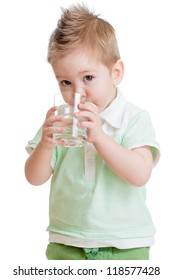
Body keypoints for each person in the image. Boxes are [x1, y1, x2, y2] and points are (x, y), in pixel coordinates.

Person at [25, 4, 160, 260]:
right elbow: (34, 177)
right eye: (65, 82)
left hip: (125, 244)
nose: (77, 93)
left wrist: (98, 136)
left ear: (115, 72)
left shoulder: (133, 119)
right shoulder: (60, 121)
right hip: (66, 240)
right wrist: (45, 144)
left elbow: (140, 174)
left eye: (88, 78)